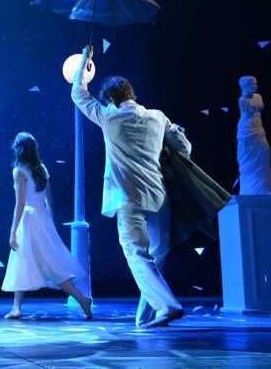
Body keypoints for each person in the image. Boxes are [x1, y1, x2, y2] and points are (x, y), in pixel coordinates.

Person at [70, 46, 191, 329]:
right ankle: (146, 316)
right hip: (159, 198)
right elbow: (185, 147)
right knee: (154, 257)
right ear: (132, 94)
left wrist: (85, 62)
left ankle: (168, 306)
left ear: (111, 99)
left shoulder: (109, 117)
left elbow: (78, 94)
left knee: (137, 255)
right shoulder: (157, 117)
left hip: (129, 199)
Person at [1, 132, 93, 320]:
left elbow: (20, 203)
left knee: (46, 264)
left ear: (19, 149)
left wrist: (12, 231)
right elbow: (49, 199)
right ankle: (16, 307)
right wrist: (48, 221)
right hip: (41, 217)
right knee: (25, 259)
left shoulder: (19, 171)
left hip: (29, 219)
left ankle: (82, 299)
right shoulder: (41, 168)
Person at [236, 76, 271, 195]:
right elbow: (247, 114)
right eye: (253, 84)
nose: (256, 86)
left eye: (256, 83)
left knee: (265, 152)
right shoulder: (242, 100)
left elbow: (260, 108)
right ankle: (250, 190)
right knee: (249, 159)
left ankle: (264, 189)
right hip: (247, 131)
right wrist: (252, 108)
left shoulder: (258, 96)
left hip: (258, 129)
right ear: (245, 86)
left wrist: (253, 108)